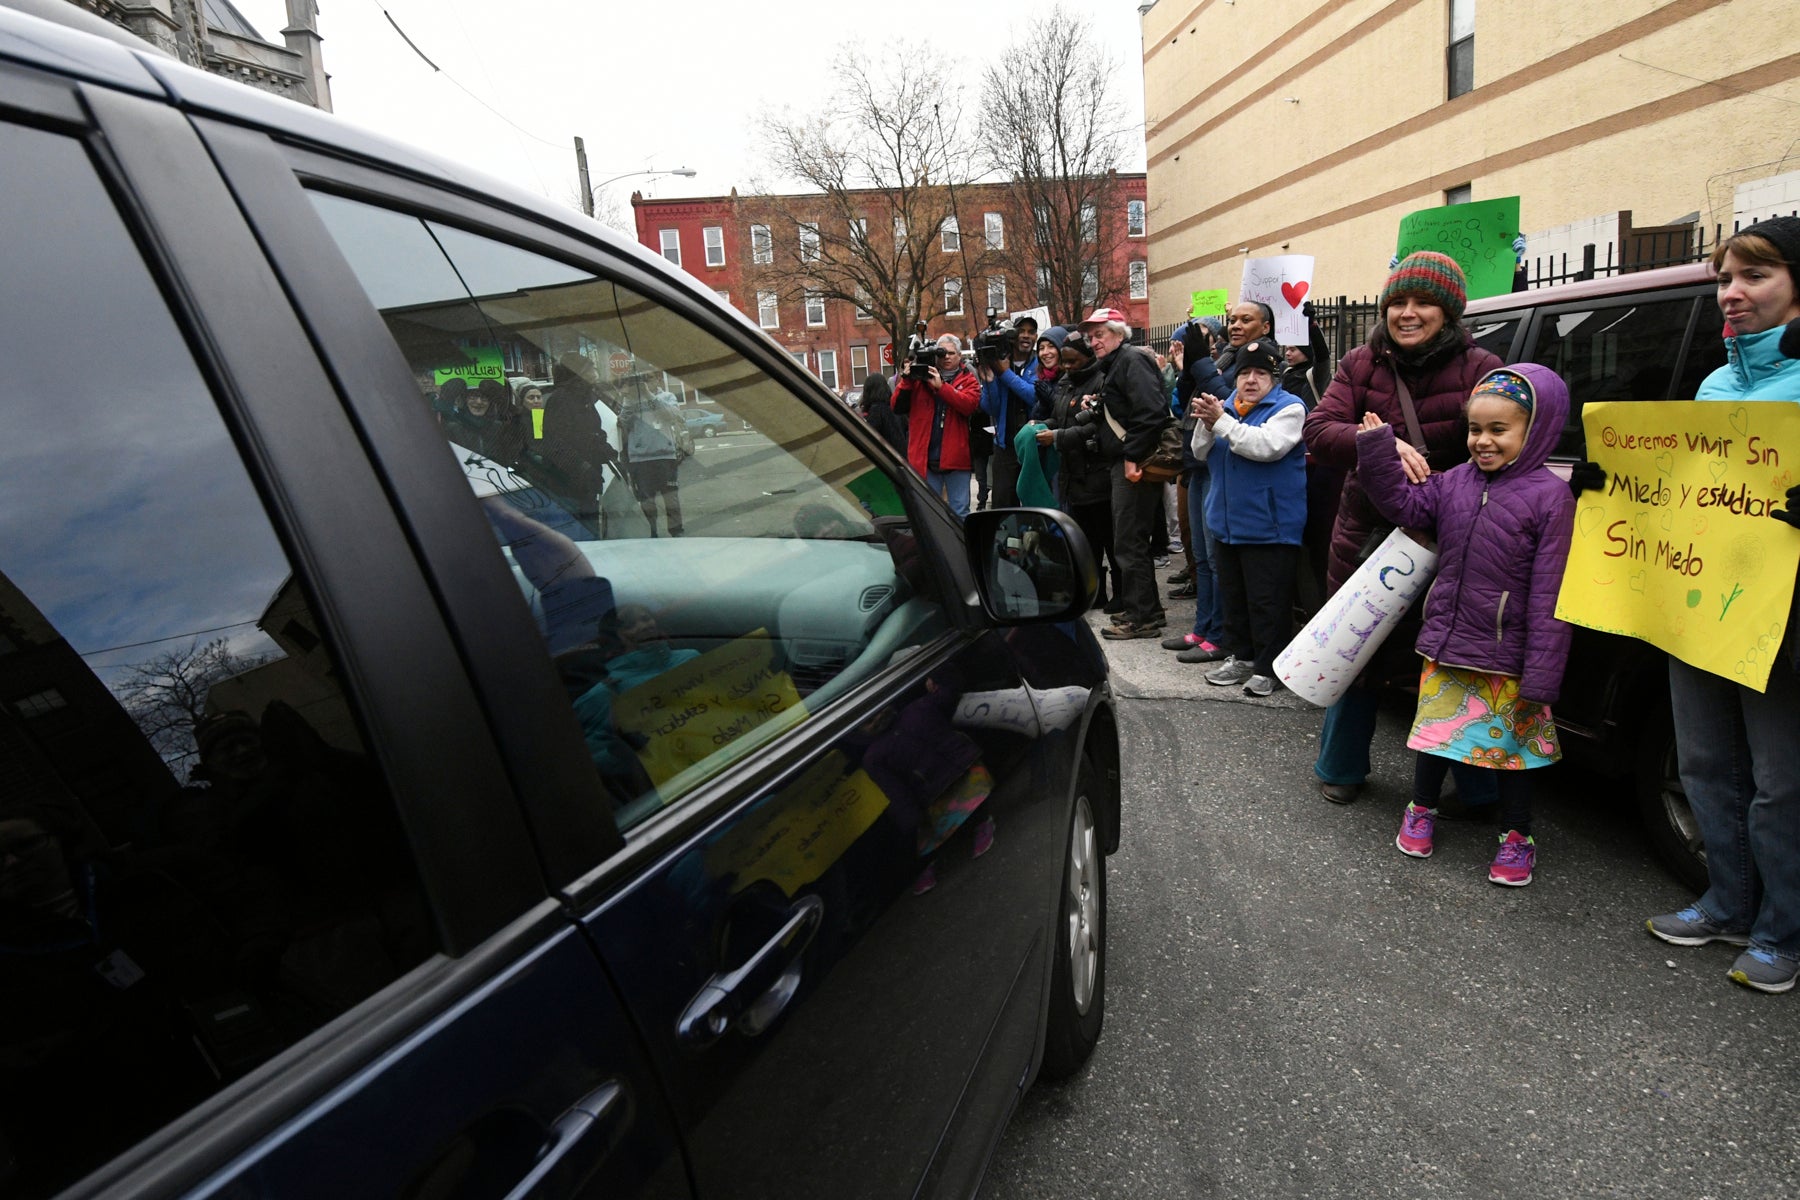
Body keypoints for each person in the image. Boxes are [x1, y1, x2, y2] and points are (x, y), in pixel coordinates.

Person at [1636, 216, 1800, 992]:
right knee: (1705, 763)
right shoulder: (1714, 382)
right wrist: (1617, 497)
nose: (1731, 294)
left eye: (1754, 276)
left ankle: (1783, 932)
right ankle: (1729, 903)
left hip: (1784, 623)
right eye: (1724, 279)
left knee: (1782, 783)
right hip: (1703, 604)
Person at [1355, 364, 1574, 888]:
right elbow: (1402, 504)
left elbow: (1551, 595)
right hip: (1448, 644)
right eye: (1476, 429)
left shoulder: (1551, 497)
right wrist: (1377, 450)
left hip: (1511, 656)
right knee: (1434, 739)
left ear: (1536, 429)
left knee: (1514, 755)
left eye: (1500, 430)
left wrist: (1542, 677)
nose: (1482, 441)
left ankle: (1517, 836)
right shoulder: (1454, 481)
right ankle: (1421, 809)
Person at [1302, 251, 1504, 807]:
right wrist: (1380, 444)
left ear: (1449, 312)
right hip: (1368, 539)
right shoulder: (1360, 364)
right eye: (1398, 302)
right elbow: (1319, 431)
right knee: (1357, 651)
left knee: (1452, 661)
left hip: (1454, 539)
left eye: (1423, 303)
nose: (1407, 313)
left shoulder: (1481, 367)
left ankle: (1476, 789)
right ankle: (1339, 767)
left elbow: (1505, 443)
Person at [1186, 339, 1308, 696]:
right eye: (1244, 373)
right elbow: (1198, 451)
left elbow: (1266, 447)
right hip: (1227, 524)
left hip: (1270, 526)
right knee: (1235, 598)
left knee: (1267, 601)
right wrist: (1208, 423)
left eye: (1260, 373)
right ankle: (1241, 657)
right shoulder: (1227, 407)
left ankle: (1270, 668)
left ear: (1275, 377)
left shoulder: (1289, 408)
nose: (1251, 381)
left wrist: (1221, 421)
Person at [1081, 307, 1171, 639]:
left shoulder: (1131, 360)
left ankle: (1141, 617)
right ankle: (1148, 610)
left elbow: (1152, 410)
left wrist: (1133, 455)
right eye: (1091, 336)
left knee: (1129, 541)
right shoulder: (1119, 364)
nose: (1093, 342)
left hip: (1132, 463)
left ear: (1119, 334)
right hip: (1127, 461)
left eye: (1099, 334)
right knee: (1131, 540)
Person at [1033, 331, 1118, 606]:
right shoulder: (1065, 383)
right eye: (1065, 362)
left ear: (1087, 357)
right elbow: (1060, 417)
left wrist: (1056, 437)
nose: (1067, 367)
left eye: (1073, 361)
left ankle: (1122, 594)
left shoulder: (1101, 380)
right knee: (1086, 541)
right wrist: (1042, 425)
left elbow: (1095, 425)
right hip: (1073, 474)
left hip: (1097, 471)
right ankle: (1095, 592)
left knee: (1110, 540)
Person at [891, 334, 982, 517]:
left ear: (959, 355)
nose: (946, 357)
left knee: (960, 512)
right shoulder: (919, 379)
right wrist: (907, 380)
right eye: (942, 353)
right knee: (929, 512)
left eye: (951, 353)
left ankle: (960, 546)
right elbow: (896, 406)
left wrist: (942, 388)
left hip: (956, 460)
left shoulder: (968, 379)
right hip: (925, 459)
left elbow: (968, 405)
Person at [977, 322, 1038, 509]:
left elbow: (1032, 395)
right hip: (1005, 446)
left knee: (1033, 504)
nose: (1026, 336)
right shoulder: (999, 362)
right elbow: (991, 408)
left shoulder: (1039, 363)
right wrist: (990, 381)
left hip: (1034, 446)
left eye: (1031, 332)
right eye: (1021, 331)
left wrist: (1005, 373)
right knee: (1003, 505)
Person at [619, 380, 688, 537]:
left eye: (647, 379)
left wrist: (648, 395)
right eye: (640, 380)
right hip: (640, 459)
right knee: (646, 500)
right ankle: (652, 532)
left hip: (665, 455)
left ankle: (676, 531)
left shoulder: (667, 396)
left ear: (656, 380)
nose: (643, 383)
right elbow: (622, 423)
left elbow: (672, 416)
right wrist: (629, 398)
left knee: (671, 498)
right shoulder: (629, 400)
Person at [858, 372, 908, 459]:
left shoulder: (876, 410)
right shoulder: (896, 408)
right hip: (903, 460)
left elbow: (869, 438)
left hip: (888, 460)